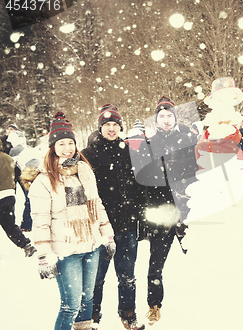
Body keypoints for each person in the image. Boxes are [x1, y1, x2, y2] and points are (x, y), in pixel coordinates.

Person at [27, 112, 115, 330]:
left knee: (87, 301)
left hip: (91, 246)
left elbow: (97, 205)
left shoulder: (84, 171)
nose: (67, 148)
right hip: (66, 252)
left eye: (70, 143)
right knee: (70, 305)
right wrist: (43, 255)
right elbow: (40, 221)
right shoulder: (44, 179)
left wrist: (108, 236)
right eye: (61, 143)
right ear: (52, 147)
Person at [134, 97, 198, 325]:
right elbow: (141, 181)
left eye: (170, 115)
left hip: (187, 211)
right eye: (161, 116)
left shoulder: (188, 140)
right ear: (156, 119)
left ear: (175, 117)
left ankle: (202, 302)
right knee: (156, 264)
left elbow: (198, 173)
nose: (166, 119)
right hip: (161, 213)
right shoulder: (148, 144)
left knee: (199, 257)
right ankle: (154, 305)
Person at [81, 104, 146, 330]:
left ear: (120, 127)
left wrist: (142, 220)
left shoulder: (129, 151)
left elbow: (140, 187)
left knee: (127, 275)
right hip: (100, 228)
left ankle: (128, 315)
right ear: (100, 128)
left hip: (127, 225)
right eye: (107, 124)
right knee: (95, 278)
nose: (111, 128)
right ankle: (92, 318)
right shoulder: (88, 155)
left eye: (115, 125)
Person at [0, 139, 36, 257]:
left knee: (9, 225)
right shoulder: (8, 158)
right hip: (9, 196)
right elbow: (17, 176)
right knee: (9, 225)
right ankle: (27, 246)